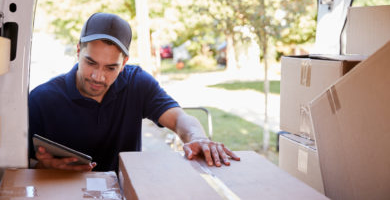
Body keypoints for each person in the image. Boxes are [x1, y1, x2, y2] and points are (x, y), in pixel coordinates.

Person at [28, 12, 240, 172]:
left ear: (124, 63)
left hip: (125, 190)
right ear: (78, 51)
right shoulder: (41, 99)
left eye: (111, 68)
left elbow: (179, 119)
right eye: (91, 63)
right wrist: (41, 168)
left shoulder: (137, 82)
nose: (98, 77)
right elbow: (18, 166)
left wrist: (198, 138)